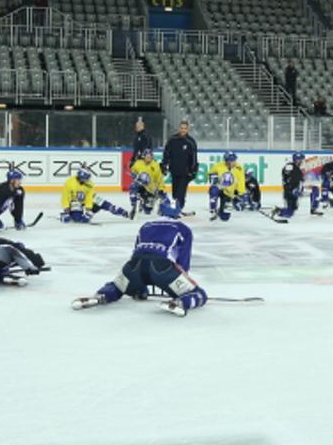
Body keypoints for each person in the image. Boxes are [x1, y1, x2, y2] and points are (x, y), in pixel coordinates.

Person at [75, 219, 208, 317]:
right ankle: (181, 303)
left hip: (134, 266)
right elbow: (183, 262)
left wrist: (140, 287)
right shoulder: (182, 228)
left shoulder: (146, 226)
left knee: (117, 286)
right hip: (161, 268)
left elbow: (136, 252)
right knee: (200, 294)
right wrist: (184, 284)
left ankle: (102, 295)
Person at [161, 120, 198, 214]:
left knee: (180, 193)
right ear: (179, 128)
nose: (183, 130)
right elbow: (166, 153)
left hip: (185, 173)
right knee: (174, 193)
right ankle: (177, 209)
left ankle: (178, 209)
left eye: (185, 128)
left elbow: (193, 157)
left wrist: (193, 170)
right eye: (182, 128)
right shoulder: (172, 140)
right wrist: (164, 164)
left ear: (188, 129)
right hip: (174, 171)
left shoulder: (191, 141)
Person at [273, 152, 320, 218]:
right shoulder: (290, 166)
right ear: (294, 159)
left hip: (298, 191)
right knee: (289, 213)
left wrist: (304, 185)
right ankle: (278, 211)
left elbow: (301, 180)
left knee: (315, 189)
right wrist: (292, 189)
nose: (300, 161)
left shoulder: (300, 169)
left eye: (301, 159)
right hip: (290, 193)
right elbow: (288, 179)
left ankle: (314, 208)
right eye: (298, 160)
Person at [208, 151, 246, 221]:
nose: (233, 162)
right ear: (226, 161)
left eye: (234, 160)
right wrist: (213, 178)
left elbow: (241, 182)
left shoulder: (239, 168)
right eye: (231, 161)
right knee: (214, 190)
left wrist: (242, 194)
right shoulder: (218, 166)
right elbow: (210, 174)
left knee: (224, 218)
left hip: (229, 192)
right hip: (219, 188)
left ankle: (221, 212)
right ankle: (213, 209)